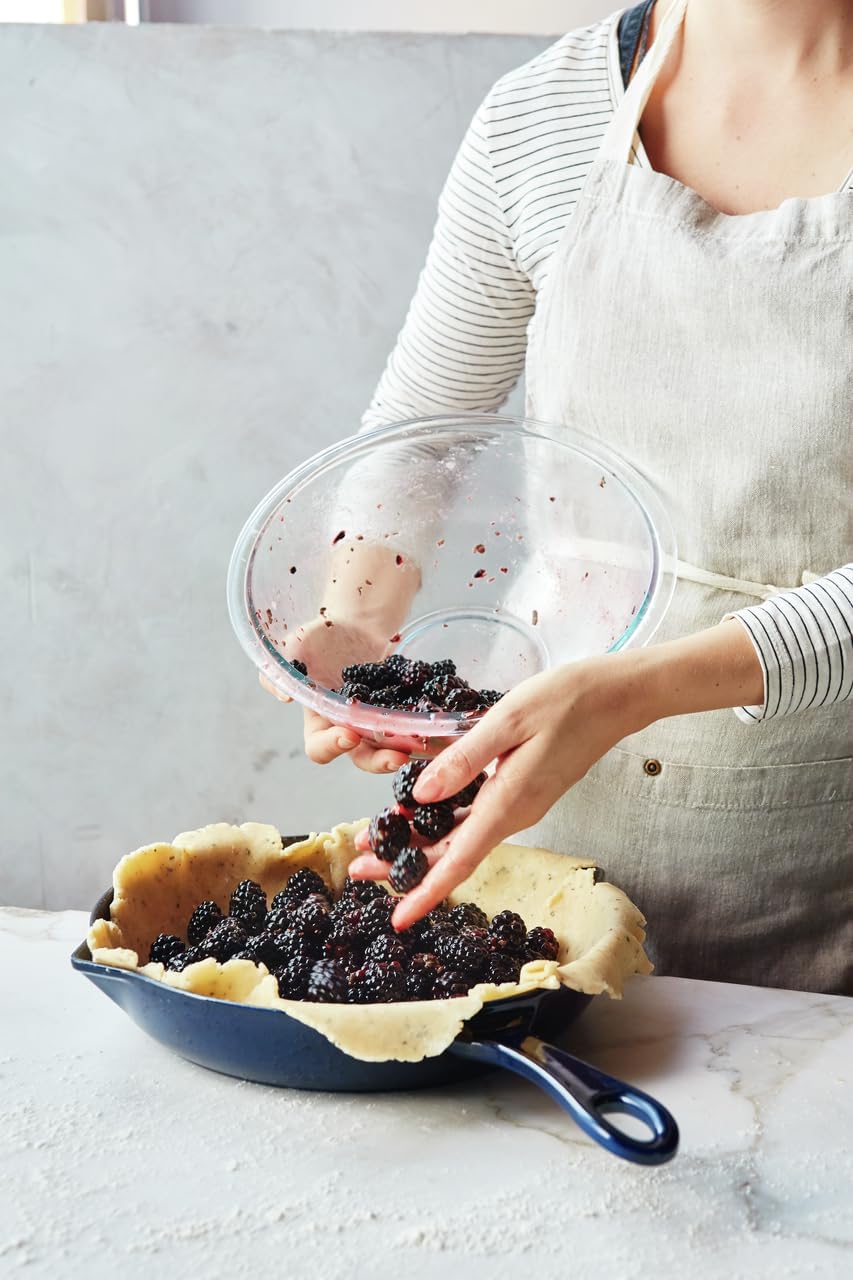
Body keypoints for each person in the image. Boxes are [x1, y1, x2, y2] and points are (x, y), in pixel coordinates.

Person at [274, 0, 853, 995]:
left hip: (822, 865)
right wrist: (355, 620)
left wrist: (634, 691)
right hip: (538, 852)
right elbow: (423, 427)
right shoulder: (538, 117)